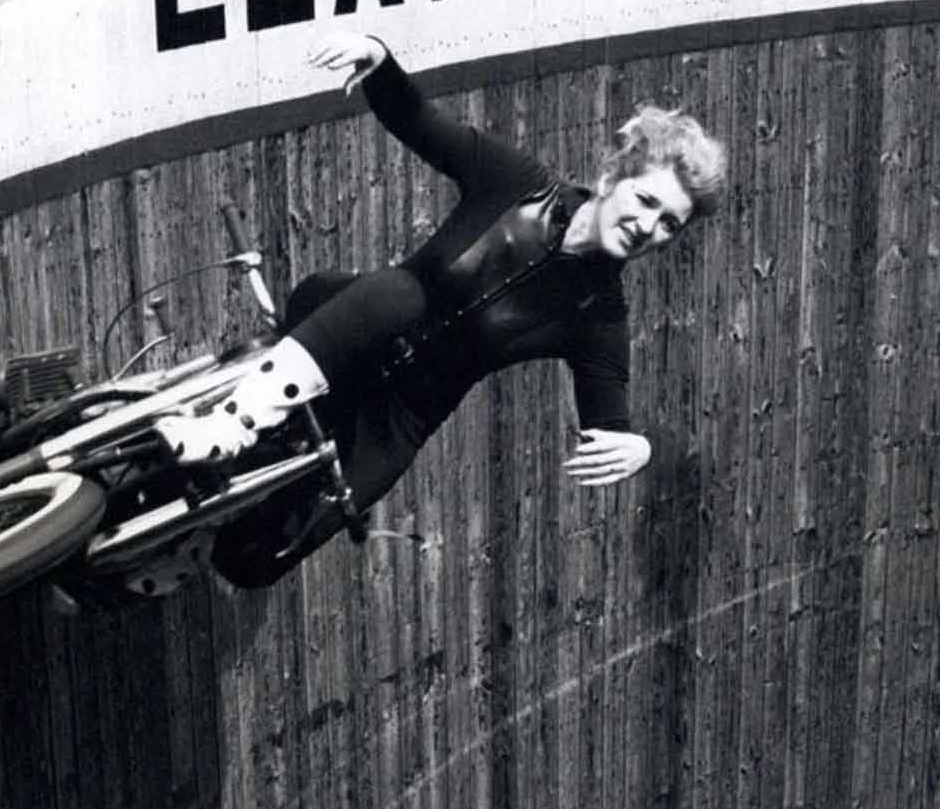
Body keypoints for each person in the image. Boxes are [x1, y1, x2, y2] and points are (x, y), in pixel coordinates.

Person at [146, 31, 727, 592]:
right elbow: (420, 121)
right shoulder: (519, 184)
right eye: (647, 200)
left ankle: (162, 546)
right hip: (348, 324)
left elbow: (609, 420)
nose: (648, 226)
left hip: (399, 414)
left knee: (252, 562)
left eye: (668, 224)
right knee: (407, 294)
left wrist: (641, 448)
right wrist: (378, 58)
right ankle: (227, 425)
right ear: (611, 178)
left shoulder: (599, 314)